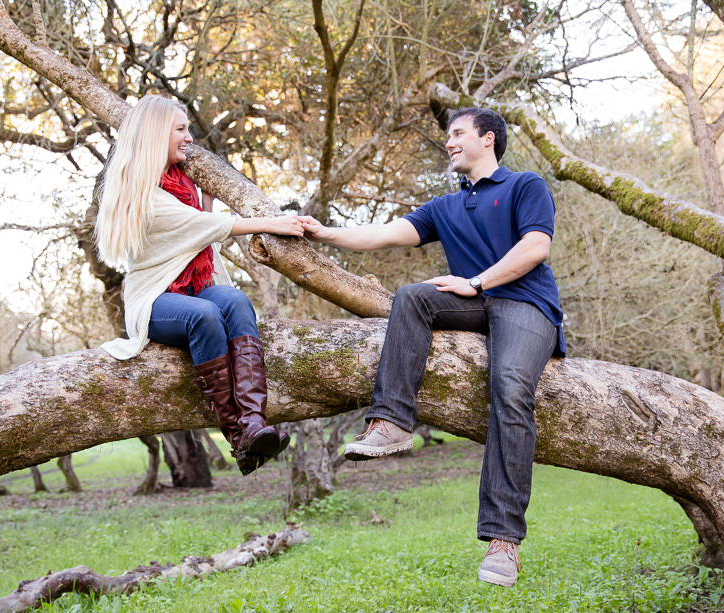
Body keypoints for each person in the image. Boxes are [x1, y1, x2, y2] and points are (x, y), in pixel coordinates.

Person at [301, 107, 566, 587]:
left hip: (525, 305)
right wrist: (324, 232)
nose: (449, 142)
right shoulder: (444, 207)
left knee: (508, 386)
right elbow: (381, 235)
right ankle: (393, 422)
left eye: (458, 133)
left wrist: (477, 282)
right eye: (448, 135)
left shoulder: (524, 185)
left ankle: (503, 542)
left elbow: (535, 248)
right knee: (412, 297)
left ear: (488, 139)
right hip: (478, 302)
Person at [96, 95, 308, 475]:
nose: (189, 137)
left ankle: (255, 423)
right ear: (156, 134)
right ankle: (238, 437)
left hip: (193, 287)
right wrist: (270, 223)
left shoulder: (183, 183)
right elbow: (199, 228)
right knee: (207, 315)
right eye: (180, 129)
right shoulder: (139, 191)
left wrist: (205, 202)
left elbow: (193, 235)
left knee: (236, 301)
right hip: (156, 300)